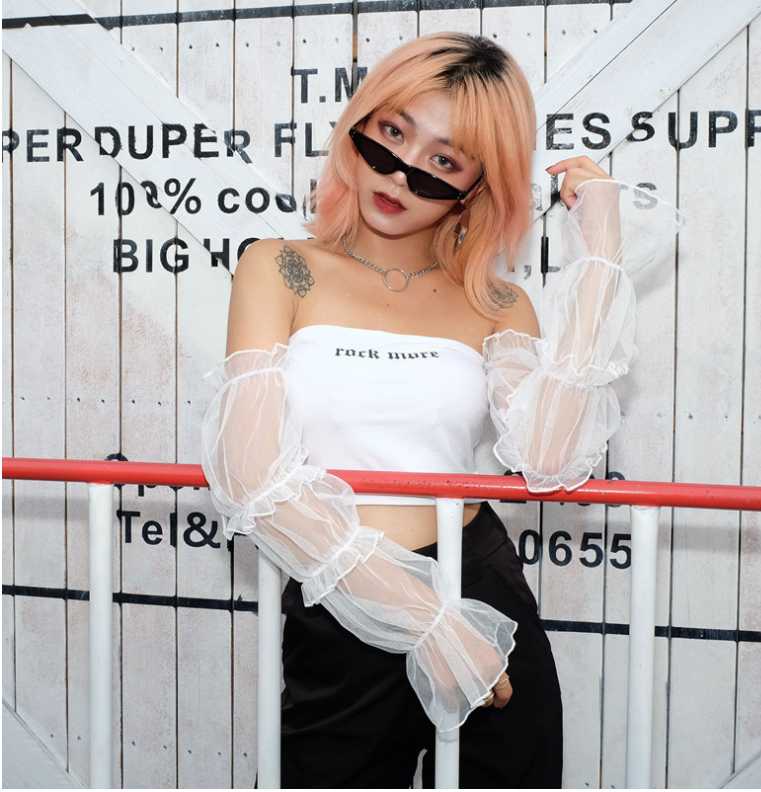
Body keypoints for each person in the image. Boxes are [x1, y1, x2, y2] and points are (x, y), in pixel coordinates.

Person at [202, 32, 683, 789]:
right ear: (360, 122)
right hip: (345, 601)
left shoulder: (495, 301)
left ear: (475, 186)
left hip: (479, 585)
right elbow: (251, 476)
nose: (400, 173)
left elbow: (551, 455)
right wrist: (424, 619)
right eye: (392, 133)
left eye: (444, 161)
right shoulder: (281, 266)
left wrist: (600, 253)